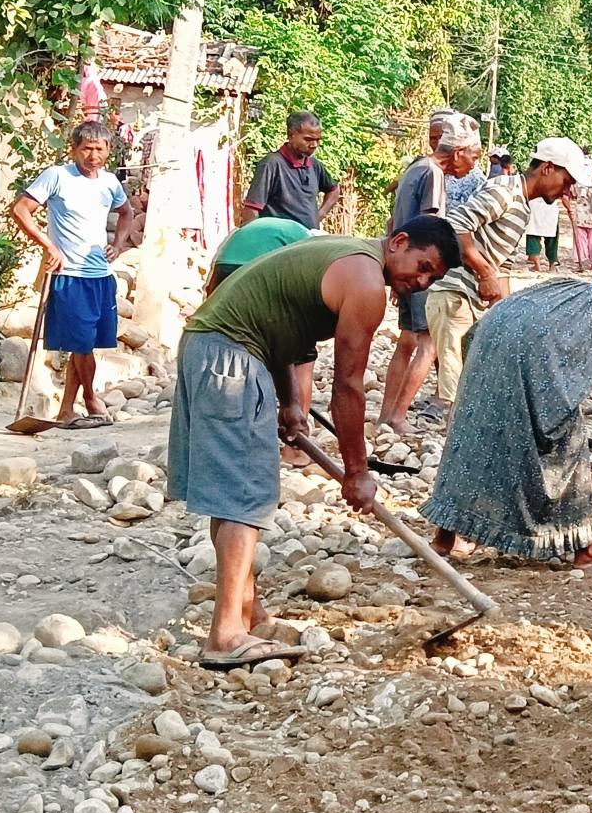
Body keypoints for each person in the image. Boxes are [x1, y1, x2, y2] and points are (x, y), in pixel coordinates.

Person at [169, 217, 459, 667]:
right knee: (246, 494)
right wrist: (358, 472)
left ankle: (247, 613)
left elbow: (281, 325)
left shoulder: (348, 255)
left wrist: (289, 401)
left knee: (232, 494)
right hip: (230, 355)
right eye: (421, 266)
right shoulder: (366, 283)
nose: (419, 282)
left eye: (431, 278)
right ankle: (225, 635)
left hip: (212, 346)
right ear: (398, 242)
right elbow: (348, 384)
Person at [422, 260, 592, 566]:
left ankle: (444, 539)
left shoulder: (570, 287)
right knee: (566, 440)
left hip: (488, 337)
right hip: (530, 356)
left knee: (477, 431)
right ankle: (586, 551)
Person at [420, 139, 592, 429]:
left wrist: (507, 314)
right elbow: (455, 225)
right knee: (455, 378)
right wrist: (485, 272)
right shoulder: (505, 191)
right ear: (548, 168)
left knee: (470, 369)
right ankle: (453, 439)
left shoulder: (522, 206)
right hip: (454, 291)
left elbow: (503, 265)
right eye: (567, 181)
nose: (568, 190)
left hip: (469, 297)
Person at [9, 122, 137, 430]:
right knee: (80, 345)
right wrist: (49, 245)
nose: (93, 155)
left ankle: (66, 410)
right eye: (86, 149)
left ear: (109, 151)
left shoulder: (109, 183)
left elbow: (127, 213)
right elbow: (21, 210)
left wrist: (117, 245)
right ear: (74, 149)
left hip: (101, 275)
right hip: (69, 273)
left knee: (87, 344)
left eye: (99, 149)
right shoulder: (57, 176)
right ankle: (91, 400)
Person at [381, 121, 476, 439]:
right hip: (417, 264)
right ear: (458, 152)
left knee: (407, 340)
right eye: (473, 157)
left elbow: (394, 220)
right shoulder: (434, 175)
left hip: (402, 261)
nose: (473, 165)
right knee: (427, 343)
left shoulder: (416, 167)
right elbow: (431, 228)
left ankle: (386, 414)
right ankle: (397, 416)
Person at [240, 111, 342, 228]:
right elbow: (251, 210)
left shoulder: (314, 165)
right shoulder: (271, 164)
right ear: (290, 135)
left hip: (308, 241)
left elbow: (334, 190)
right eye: (308, 139)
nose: (314, 145)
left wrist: (319, 215)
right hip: (281, 242)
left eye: (317, 140)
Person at [207, 217, 309, 293]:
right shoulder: (307, 240)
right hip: (253, 267)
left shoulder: (292, 229)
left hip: (225, 262)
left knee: (211, 309)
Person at [525, 189, 563, 272]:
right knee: (552, 239)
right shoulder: (557, 178)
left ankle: (537, 265)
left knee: (533, 236)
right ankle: (552, 265)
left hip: (535, 207)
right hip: (550, 208)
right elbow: (564, 196)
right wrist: (569, 209)